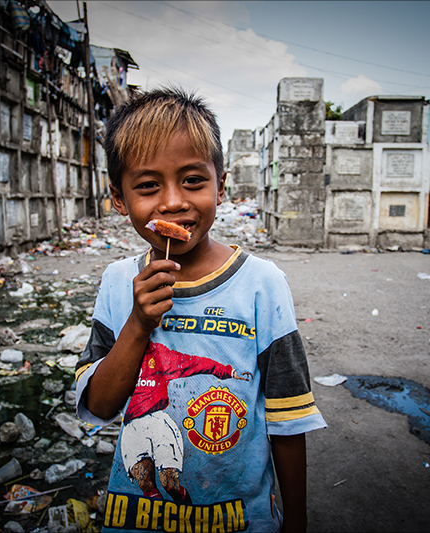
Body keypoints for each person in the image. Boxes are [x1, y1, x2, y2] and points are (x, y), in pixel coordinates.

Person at [75, 86, 326, 533]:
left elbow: (288, 415)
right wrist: (138, 323)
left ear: (221, 185)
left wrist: (297, 519)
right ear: (118, 198)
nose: (173, 201)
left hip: (241, 520)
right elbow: (100, 406)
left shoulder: (261, 285)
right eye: (148, 186)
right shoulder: (118, 284)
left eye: (193, 180)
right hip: (136, 521)